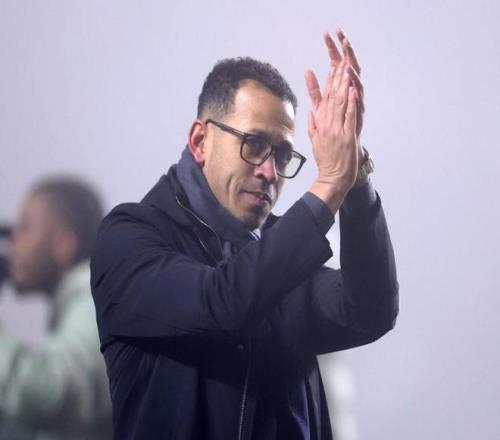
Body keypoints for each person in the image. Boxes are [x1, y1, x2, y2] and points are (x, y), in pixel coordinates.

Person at [91, 28, 398, 440]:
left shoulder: (280, 253)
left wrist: (355, 175)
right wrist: (329, 184)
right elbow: (221, 303)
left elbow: (369, 312)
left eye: (283, 155)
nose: (270, 172)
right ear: (200, 141)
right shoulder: (128, 236)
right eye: (253, 144)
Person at [0, 177, 113, 440]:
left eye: (26, 227)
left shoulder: (95, 300)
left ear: (64, 245)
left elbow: (55, 392)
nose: (13, 241)